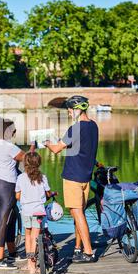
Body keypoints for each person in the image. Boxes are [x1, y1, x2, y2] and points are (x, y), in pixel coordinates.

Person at [44, 95, 99, 263]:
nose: (69, 112)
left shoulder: (75, 128)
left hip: (73, 177)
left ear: (78, 109)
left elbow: (55, 149)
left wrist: (45, 142)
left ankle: (88, 253)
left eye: (70, 109)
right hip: (85, 177)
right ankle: (77, 248)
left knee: (77, 213)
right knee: (79, 214)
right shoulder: (93, 126)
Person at [0, 117, 35, 270]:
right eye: (13, 131)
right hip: (6, 185)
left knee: (11, 217)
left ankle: (12, 252)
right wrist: (33, 146)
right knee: (2, 221)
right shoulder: (9, 146)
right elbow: (28, 159)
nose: (14, 133)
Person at [15, 151, 54, 274]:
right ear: (39, 163)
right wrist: (51, 194)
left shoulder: (20, 177)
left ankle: (29, 264)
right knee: (35, 236)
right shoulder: (43, 177)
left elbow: (17, 196)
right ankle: (32, 266)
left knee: (27, 236)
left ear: (25, 163)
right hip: (39, 212)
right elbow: (48, 194)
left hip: (26, 211)